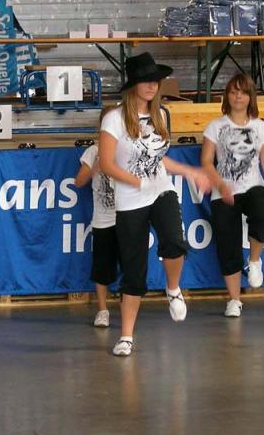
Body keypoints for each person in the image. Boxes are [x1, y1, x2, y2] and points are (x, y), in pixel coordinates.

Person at [98, 52, 211, 356]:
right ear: (133, 84)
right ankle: (126, 336)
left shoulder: (161, 115)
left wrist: (188, 171)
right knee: (134, 270)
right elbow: (106, 163)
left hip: (161, 190)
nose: (152, 85)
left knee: (174, 241)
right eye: (146, 80)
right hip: (130, 200)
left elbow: (159, 159)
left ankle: (173, 289)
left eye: (156, 81)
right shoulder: (114, 119)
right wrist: (136, 182)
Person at [200, 73, 264, 318]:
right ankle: (234, 299)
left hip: (252, 186)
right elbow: (206, 161)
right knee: (228, 245)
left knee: (262, 214)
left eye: (243, 92)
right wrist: (220, 185)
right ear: (227, 95)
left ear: (250, 97)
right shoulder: (215, 126)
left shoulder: (259, 126)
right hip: (223, 192)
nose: (238, 97)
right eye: (234, 92)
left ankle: (255, 261)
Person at [75, 106, 119, 328]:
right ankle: (103, 310)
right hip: (103, 220)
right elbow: (78, 181)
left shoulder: (128, 149)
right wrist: (96, 168)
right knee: (102, 267)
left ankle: (129, 309)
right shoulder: (94, 151)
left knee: (131, 266)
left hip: (128, 216)